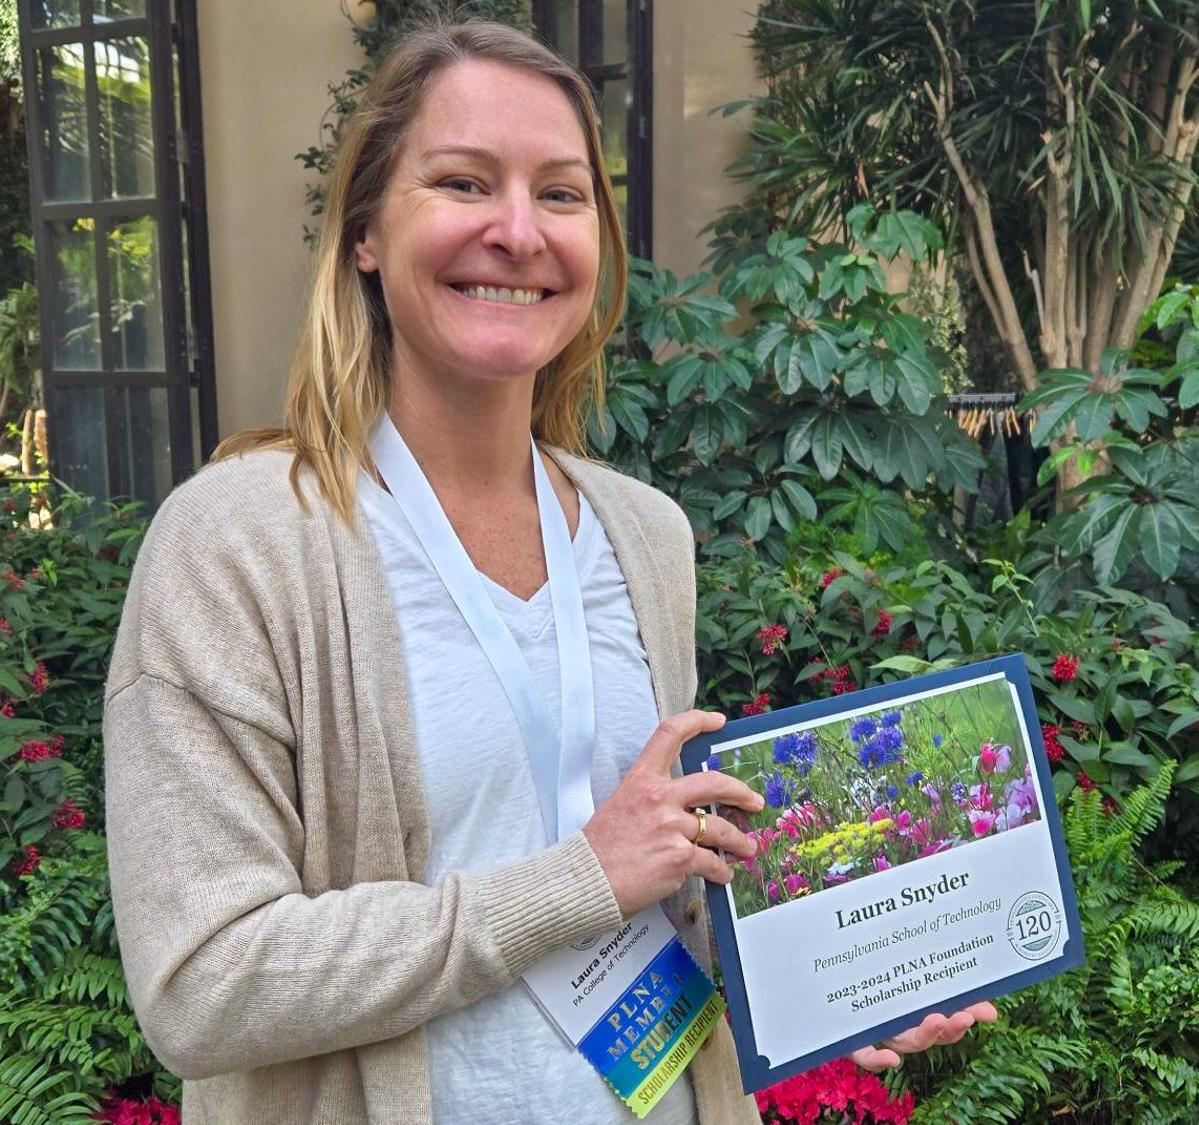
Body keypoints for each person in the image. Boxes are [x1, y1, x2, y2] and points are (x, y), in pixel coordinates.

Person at [103, 17, 993, 1125]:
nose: (518, 231)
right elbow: (204, 983)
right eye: (464, 181)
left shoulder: (642, 533)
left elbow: (653, 886)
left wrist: (843, 964)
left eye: (563, 194)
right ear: (367, 230)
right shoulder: (239, 542)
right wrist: (580, 879)